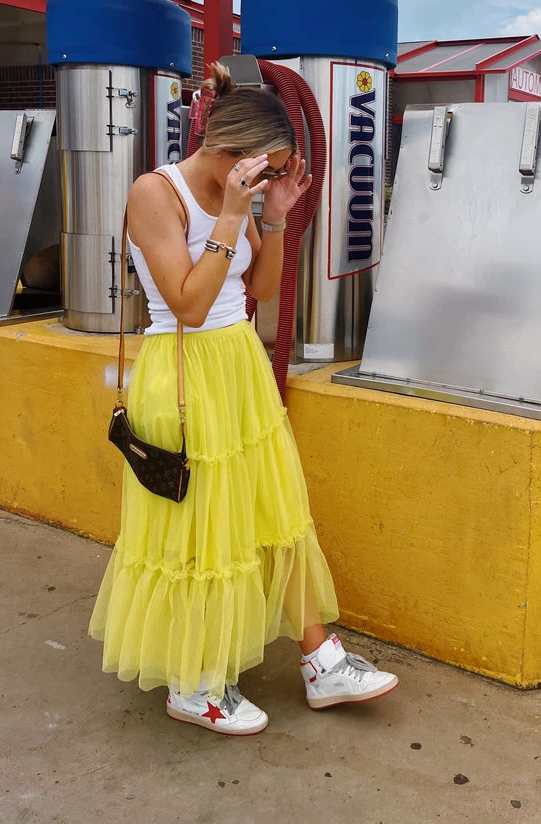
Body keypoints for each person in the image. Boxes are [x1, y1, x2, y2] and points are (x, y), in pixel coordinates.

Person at [89, 63, 398, 734]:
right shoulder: (156, 192)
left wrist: (276, 220)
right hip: (185, 372)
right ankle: (193, 683)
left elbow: (258, 292)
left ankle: (320, 659)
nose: (272, 182)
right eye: (270, 171)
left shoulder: (246, 198)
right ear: (237, 153)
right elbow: (189, 305)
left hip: (239, 369)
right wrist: (232, 214)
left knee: (273, 513)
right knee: (199, 533)